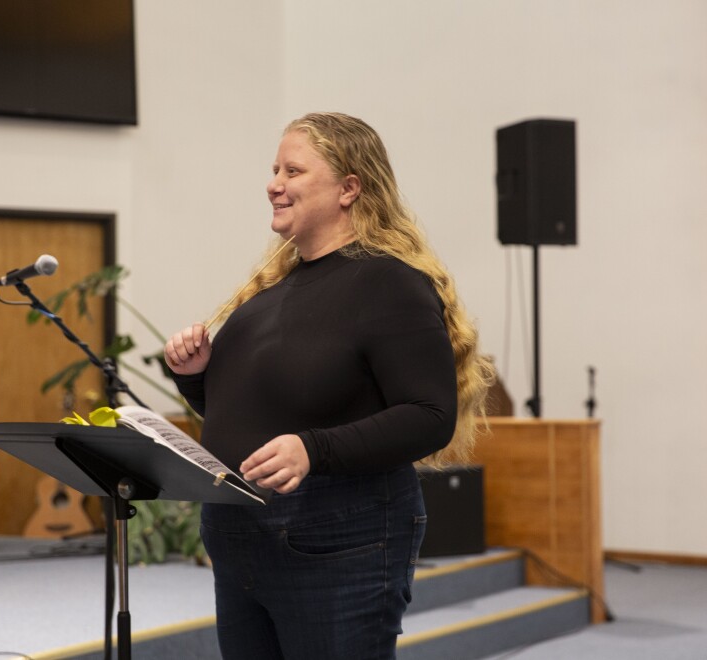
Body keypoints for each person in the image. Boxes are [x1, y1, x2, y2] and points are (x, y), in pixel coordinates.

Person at [164, 112, 493, 660]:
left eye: (293, 170)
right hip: (242, 535)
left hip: (337, 537)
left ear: (349, 188)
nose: (274, 183)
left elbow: (429, 414)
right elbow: (238, 413)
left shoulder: (390, 283)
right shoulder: (270, 295)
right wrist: (196, 376)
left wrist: (312, 449)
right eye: (274, 169)